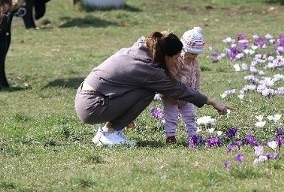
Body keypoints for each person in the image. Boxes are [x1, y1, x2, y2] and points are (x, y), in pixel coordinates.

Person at [75, 31, 234, 147]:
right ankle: (110, 133)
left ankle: (106, 133)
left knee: (143, 89)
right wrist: (212, 102)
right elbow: (177, 90)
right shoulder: (147, 69)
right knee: (147, 91)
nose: (179, 61)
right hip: (92, 106)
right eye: (177, 57)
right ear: (166, 56)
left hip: (88, 97)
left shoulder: (140, 51)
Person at [158, 26, 206, 144]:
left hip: (188, 95)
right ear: (185, 49)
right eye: (192, 53)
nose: (194, 57)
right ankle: (170, 136)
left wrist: (196, 90)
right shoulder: (178, 60)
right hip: (172, 96)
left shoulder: (194, 61)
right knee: (171, 116)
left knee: (190, 116)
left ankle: (193, 135)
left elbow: (197, 74)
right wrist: (172, 92)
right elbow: (171, 75)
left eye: (196, 54)